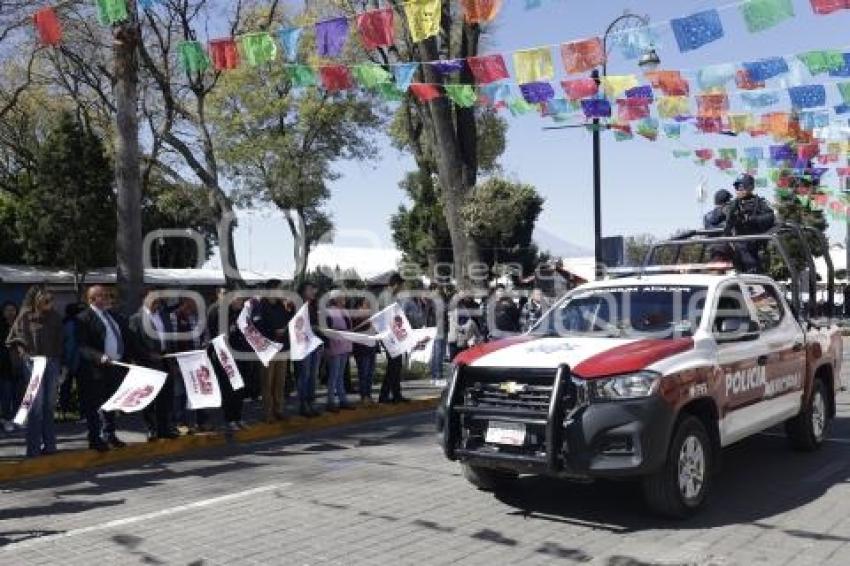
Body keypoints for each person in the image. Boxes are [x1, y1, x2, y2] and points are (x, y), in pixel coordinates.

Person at [6, 286, 63, 457]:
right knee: (36, 407)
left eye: (51, 300)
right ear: (36, 300)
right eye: (46, 300)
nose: (49, 303)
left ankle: (50, 446)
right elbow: (11, 340)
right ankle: (33, 449)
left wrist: (63, 365)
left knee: (49, 406)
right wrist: (24, 353)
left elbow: (61, 341)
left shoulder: (55, 317)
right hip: (33, 364)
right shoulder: (24, 316)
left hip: (52, 363)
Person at [76, 285, 129, 452]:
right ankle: (94, 438)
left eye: (107, 295)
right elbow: (82, 346)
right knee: (94, 405)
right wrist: (99, 356)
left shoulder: (112, 316)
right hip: (95, 369)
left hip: (114, 367)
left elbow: (125, 338)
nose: (107, 298)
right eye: (103, 296)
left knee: (111, 403)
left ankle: (109, 434)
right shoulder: (84, 318)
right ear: (91, 299)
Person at [128, 290, 177, 441]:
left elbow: (170, 339)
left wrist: (173, 359)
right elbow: (133, 344)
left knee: (166, 396)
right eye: (153, 300)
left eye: (158, 300)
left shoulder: (163, 315)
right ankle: (151, 428)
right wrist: (147, 355)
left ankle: (165, 428)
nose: (157, 303)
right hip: (148, 362)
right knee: (150, 398)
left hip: (165, 359)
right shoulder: (136, 319)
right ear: (145, 300)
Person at [207, 290, 248, 431]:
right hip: (223, 355)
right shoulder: (217, 311)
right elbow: (217, 335)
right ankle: (230, 419)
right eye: (239, 300)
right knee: (228, 389)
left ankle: (238, 417)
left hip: (238, 354)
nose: (241, 303)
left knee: (239, 388)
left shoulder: (237, 312)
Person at [255, 280, 295, 422]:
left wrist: (291, 308)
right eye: (279, 289)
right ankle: (268, 413)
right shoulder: (260, 306)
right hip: (267, 349)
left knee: (280, 382)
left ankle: (279, 409)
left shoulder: (281, 306)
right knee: (267, 382)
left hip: (282, 348)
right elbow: (258, 326)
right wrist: (273, 332)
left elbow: (290, 321)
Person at [724, 173, 776, 273]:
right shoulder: (733, 204)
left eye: (741, 187)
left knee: (755, 275)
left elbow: (770, 217)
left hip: (755, 246)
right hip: (739, 247)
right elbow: (720, 221)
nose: (739, 190)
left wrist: (752, 219)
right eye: (736, 187)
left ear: (750, 187)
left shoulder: (759, 203)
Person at [379, 274, 410, 404]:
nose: (403, 288)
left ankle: (396, 394)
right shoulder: (387, 296)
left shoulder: (390, 296)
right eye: (402, 285)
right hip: (389, 335)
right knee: (394, 365)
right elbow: (389, 317)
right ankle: (384, 396)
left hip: (393, 335)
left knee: (396, 365)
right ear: (396, 284)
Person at [294, 281, 321, 417]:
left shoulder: (314, 306)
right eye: (310, 289)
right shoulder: (298, 306)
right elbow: (296, 325)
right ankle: (303, 404)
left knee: (312, 376)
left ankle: (311, 403)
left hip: (315, 344)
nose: (313, 292)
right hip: (303, 346)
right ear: (303, 291)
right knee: (304, 375)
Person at [324, 291, 354, 412]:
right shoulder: (329, 312)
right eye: (341, 297)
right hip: (335, 348)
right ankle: (330, 401)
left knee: (340, 375)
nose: (344, 298)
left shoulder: (345, 311)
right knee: (334, 376)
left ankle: (343, 400)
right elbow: (327, 330)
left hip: (345, 347)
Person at [59, 302, 85, 420]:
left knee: (65, 389)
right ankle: (81, 413)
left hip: (68, 362)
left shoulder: (65, 323)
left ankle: (64, 412)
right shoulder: (73, 324)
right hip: (75, 362)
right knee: (81, 389)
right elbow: (70, 345)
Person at [350, 297, 377, 404]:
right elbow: (356, 330)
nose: (369, 305)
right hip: (361, 349)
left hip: (371, 348)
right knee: (363, 373)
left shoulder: (371, 315)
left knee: (370, 374)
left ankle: (368, 395)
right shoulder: (356, 316)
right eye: (367, 303)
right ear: (360, 305)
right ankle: (363, 396)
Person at [0, 300, 19, 432]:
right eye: (7, 310)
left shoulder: (20, 325)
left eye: (12, 309)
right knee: (6, 395)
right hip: (4, 366)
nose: (10, 312)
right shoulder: (1, 326)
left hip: (19, 364)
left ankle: (17, 419)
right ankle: (6, 419)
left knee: (19, 394)